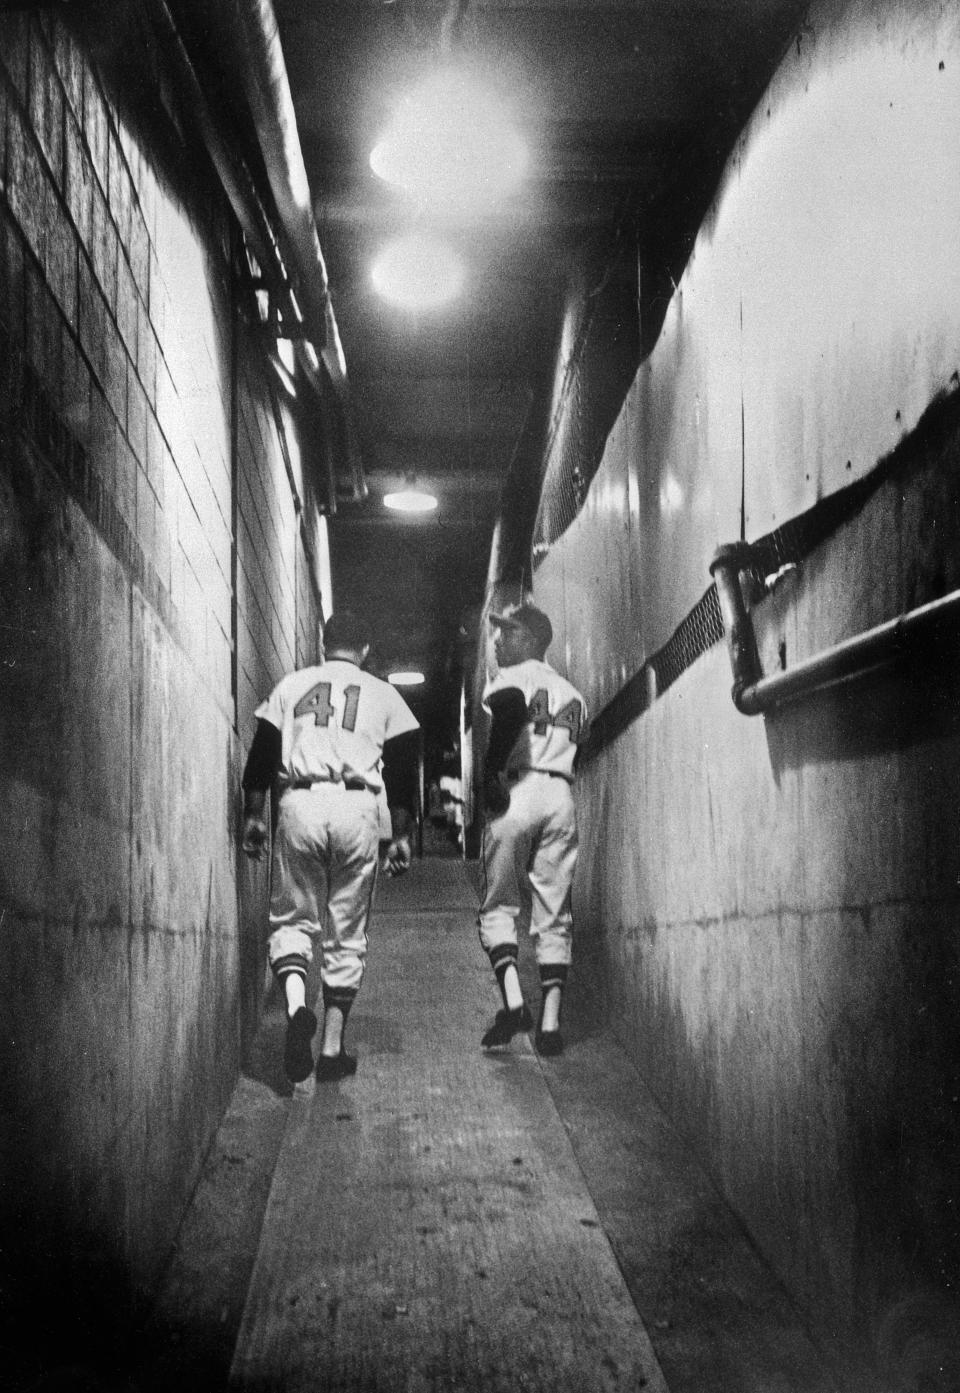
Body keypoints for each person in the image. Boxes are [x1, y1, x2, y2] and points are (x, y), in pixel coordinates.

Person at [241, 610, 419, 1083]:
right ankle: (333, 1050)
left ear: (324, 644)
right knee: (346, 930)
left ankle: (299, 1006)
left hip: (299, 802)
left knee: (293, 918)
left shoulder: (291, 685)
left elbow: (261, 753)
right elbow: (403, 768)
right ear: (364, 651)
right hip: (356, 806)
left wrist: (255, 815)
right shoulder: (383, 693)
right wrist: (401, 834)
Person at [477, 601, 588, 1056]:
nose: (499, 639)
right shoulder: (575, 694)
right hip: (560, 795)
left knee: (498, 907)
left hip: (518, 789)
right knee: (553, 915)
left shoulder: (510, 678)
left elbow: (508, 711)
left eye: (509, 631)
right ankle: (550, 1025)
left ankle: (515, 1003)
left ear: (532, 640)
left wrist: (489, 773)